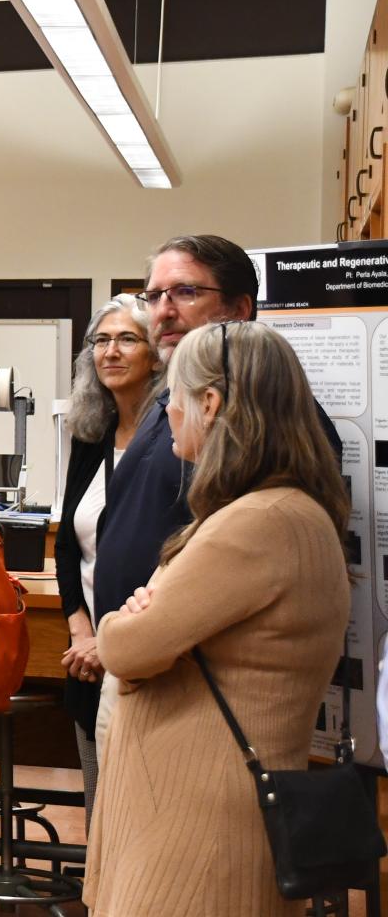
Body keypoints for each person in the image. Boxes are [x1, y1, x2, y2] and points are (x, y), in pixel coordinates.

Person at [84, 321, 349, 916]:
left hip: (198, 827)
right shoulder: (277, 510)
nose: (167, 413)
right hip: (193, 810)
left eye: (172, 395)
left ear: (210, 402)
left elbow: (126, 648)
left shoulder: (259, 521)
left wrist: (123, 627)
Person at [90, 235, 341, 751]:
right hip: (132, 670)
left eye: (183, 292)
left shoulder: (276, 430)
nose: (163, 311)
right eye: (153, 295)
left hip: (193, 698)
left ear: (240, 308)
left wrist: (134, 630)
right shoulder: (162, 409)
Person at [51, 294, 158, 821]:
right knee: (100, 814)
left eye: (127, 339)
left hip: (148, 658)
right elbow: (68, 545)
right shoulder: (91, 438)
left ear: (157, 352)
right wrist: (82, 633)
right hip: (88, 659)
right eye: (101, 341)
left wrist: (113, 641)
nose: (110, 352)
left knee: (141, 817)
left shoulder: (172, 441)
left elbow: (166, 554)